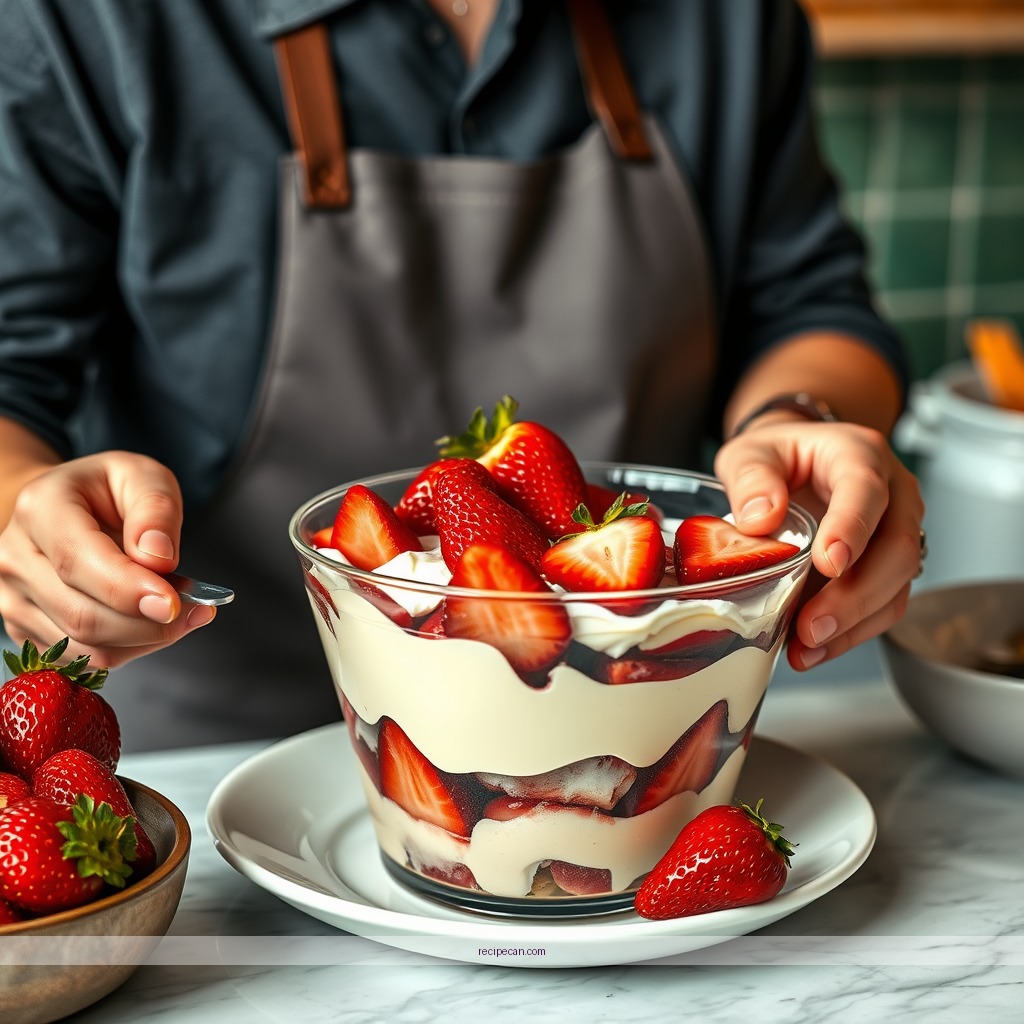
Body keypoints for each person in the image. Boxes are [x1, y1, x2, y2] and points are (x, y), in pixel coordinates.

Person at [0, 0, 923, 750]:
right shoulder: (87, 22)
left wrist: (799, 421)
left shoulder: (728, 20)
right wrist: (26, 511)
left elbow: (813, 306)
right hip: (210, 757)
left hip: (646, 717)